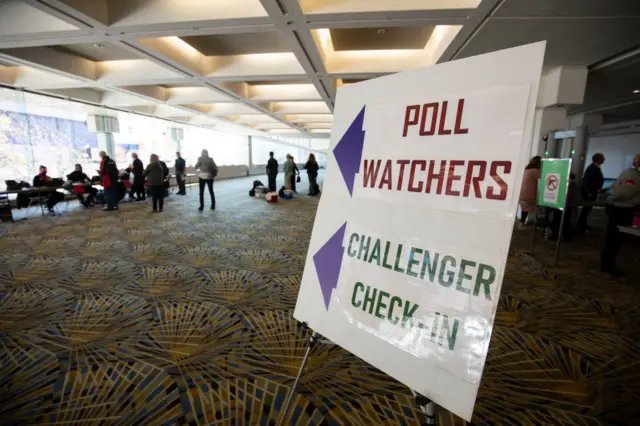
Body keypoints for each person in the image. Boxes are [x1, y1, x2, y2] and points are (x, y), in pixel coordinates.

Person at [600, 153, 640, 276]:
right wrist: (610, 199)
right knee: (614, 239)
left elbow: (616, 185)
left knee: (614, 239)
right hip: (621, 210)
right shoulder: (633, 175)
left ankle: (607, 264)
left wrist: (607, 193)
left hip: (620, 209)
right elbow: (624, 194)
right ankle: (608, 265)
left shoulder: (629, 172)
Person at [577, 153, 605, 231]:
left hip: (591, 191)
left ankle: (582, 224)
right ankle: (580, 225)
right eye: (603, 158)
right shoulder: (593, 168)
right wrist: (589, 192)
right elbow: (588, 181)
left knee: (587, 209)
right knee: (586, 209)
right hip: (590, 192)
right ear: (598, 159)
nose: (604, 160)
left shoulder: (594, 168)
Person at [550, 172, 579, 242]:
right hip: (568, 205)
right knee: (566, 221)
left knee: (558, 220)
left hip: (563, 204)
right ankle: (567, 237)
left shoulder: (568, 184)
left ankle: (556, 236)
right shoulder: (573, 185)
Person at [518, 156, 542, 225]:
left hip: (522, 193)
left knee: (524, 210)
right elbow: (543, 178)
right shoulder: (535, 171)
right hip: (529, 194)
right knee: (535, 207)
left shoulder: (526, 170)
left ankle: (522, 222)